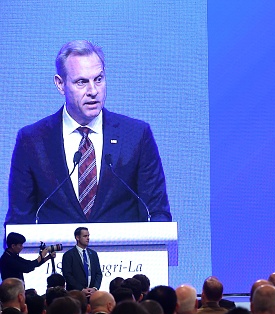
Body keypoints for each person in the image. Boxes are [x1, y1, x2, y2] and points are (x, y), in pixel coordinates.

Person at [5, 39, 171, 225]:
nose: (93, 91)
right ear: (60, 84)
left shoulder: (136, 136)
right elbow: (18, 222)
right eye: (81, 82)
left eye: (98, 79)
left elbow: (157, 213)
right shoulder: (32, 141)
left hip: (124, 253)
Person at [61, 227, 102, 294]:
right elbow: (67, 275)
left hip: (92, 294)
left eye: (88, 236)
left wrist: (95, 288)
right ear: (77, 237)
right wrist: (81, 289)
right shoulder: (69, 255)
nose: (88, 238)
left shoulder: (93, 254)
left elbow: (98, 273)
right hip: (75, 295)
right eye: (85, 236)